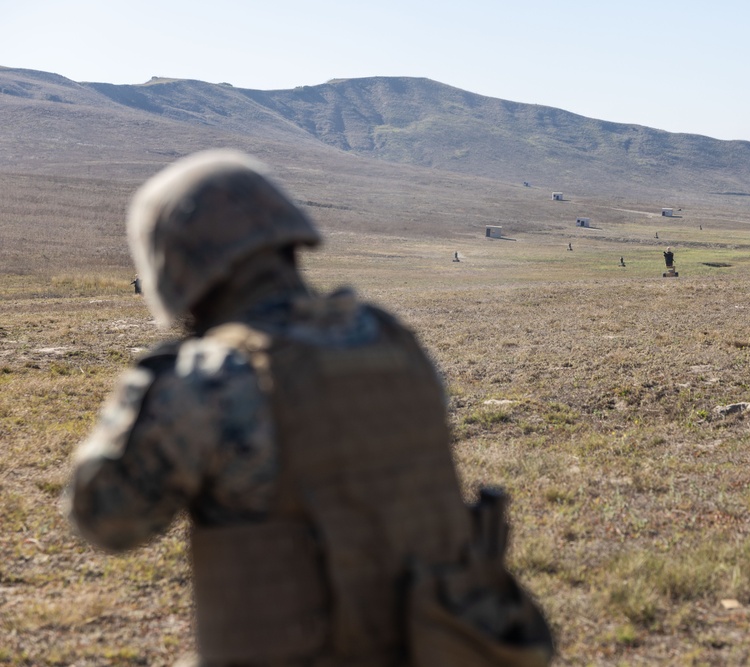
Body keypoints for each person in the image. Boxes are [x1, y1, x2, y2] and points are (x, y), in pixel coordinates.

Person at [65, 150, 552, 667]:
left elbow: (105, 520)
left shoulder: (214, 379)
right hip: (442, 648)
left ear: (178, 268)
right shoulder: (390, 338)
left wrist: (150, 384)